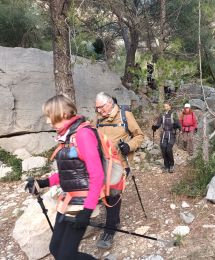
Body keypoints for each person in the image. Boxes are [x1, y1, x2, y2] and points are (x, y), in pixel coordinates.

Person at [25, 95, 104, 260]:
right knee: (55, 249)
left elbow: (97, 176)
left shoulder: (83, 134)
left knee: (66, 255)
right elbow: (70, 172)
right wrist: (44, 182)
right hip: (67, 200)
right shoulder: (67, 136)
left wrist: (87, 211)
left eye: (49, 115)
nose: (48, 121)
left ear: (62, 114)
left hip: (82, 204)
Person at [93, 92, 144, 249]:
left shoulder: (124, 115)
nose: (99, 111)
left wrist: (129, 146)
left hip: (119, 163)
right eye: (96, 108)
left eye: (101, 108)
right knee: (103, 194)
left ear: (109, 103)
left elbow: (139, 136)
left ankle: (110, 230)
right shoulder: (97, 118)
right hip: (100, 163)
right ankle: (113, 220)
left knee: (113, 195)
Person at [152, 101, 181, 173]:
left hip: (172, 134)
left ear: (170, 106)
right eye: (165, 106)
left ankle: (171, 165)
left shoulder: (173, 114)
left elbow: (178, 123)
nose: (165, 107)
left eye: (167, 106)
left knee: (168, 149)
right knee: (163, 148)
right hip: (164, 134)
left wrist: (178, 127)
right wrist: (155, 127)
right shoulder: (162, 115)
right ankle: (166, 166)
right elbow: (159, 124)